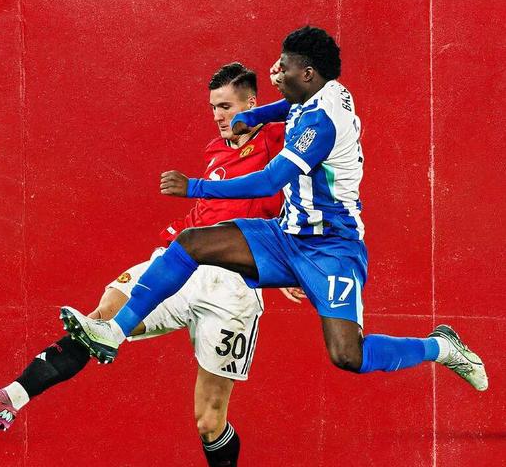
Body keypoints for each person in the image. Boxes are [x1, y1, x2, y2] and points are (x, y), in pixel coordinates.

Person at [0, 62, 303, 467]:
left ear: (251, 103)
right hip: (183, 265)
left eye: (227, 107)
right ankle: (9, 399)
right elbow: (208, 210)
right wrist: (174, 236)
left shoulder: (278, 138)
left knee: (209, 421)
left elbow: (312, 139)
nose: (219, 117)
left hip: (233, 290)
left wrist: (296, 261)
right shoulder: (214, 150)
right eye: (213, 109)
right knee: (100, 319)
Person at [60, 26, 488, 400]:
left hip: (331, 248)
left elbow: (268, 182)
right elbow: (289, 106)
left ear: (308, 74)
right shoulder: (325, 89)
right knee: (191, 243)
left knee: (347, 355)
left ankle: (441, 347)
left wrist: (194, 187)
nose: (275, 75)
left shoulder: (322, 123)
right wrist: (255, 115)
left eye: (283, 69)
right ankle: (113, 331)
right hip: (287, 234)